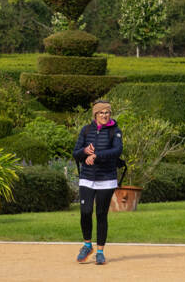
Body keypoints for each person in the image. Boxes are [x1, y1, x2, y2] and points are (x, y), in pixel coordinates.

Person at [72, 99, 123, 265]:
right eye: (101, 112)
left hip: (106, 179)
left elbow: (117, 150)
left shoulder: (115, 131)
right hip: (87, 178)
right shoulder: (86, 130)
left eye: (107, 112)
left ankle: (100, 251)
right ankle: (87, 245)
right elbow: (76, 153)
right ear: (95, 114)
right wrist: (85, 151)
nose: (105, 115)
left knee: (101, 214)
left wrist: (97, 156)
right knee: (85, 211)